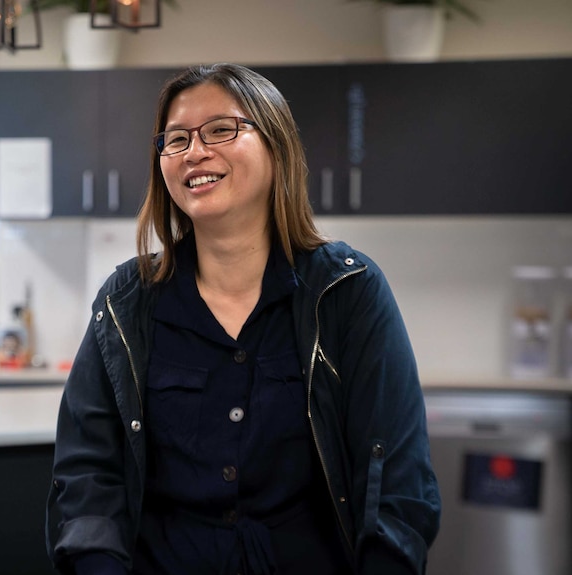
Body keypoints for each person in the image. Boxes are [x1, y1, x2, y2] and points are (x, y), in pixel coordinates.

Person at [45, 63, 441, 575]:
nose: (194, 151)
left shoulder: (348, 291)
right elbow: (86, 476)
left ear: (275, 147)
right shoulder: (127, 302)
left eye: (220, 130)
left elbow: (397, 485)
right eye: (177, 139)